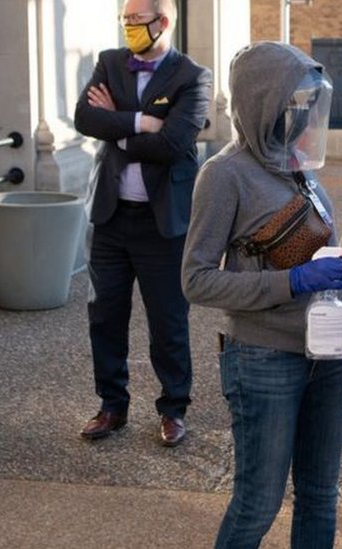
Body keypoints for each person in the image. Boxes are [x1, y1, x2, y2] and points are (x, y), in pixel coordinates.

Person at [181, 42, 342, 548]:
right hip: (264, 359)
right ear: (263, 102)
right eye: (296, 104)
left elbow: (329, 265)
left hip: (326, 356)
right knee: (258, 502)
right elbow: (196, 279)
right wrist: (288, 283)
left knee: (320, 494)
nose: (307, 116)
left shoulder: (298, 166)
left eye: (311, 104)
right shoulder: (224, 175)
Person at [74, 0, 210, 446]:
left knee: (168, 321)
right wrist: (141, 121)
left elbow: (173, 144)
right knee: (104, 316)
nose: (129, 28)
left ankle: (174, 408)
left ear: (163, 22)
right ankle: (112, 406)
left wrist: (115, 124)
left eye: (137, 21)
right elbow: (84, 118)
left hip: (162, 223)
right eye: (125, 21)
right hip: (111, 218)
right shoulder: (110, 63)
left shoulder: (192, 76)